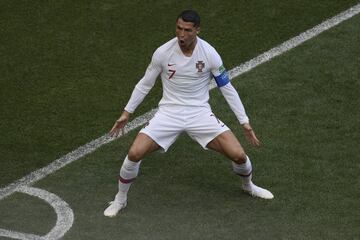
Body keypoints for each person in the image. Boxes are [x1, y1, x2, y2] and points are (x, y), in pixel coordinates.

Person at [104, 10, 273, 217]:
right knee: (134, 153)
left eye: (187, 30)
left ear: (197, 30)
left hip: (199, 114)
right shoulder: (163, 52)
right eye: (178, 28)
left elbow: (226, 87)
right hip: (169, 113)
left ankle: (248, 186)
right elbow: (145, 84)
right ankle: (120, 199)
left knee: (238, 155)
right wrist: (126, 113)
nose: (181, 35)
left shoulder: (209, 53)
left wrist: (244, 122)